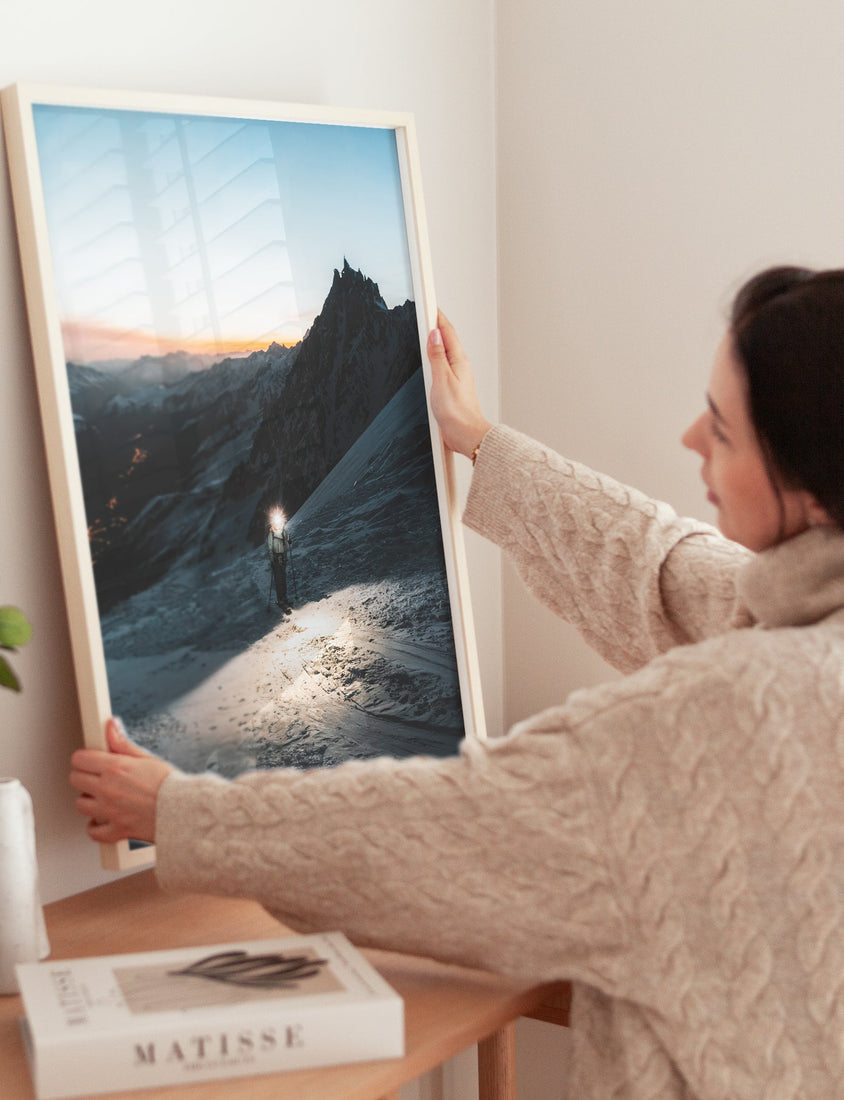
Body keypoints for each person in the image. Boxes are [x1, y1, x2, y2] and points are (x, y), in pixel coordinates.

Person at [69, 266, 844, 1099]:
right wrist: (479, 440)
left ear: (809, 487)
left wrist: (178, 813)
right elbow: (663, 570)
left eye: (724, 432)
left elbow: (450, 829)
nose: (691, 437)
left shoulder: (725, 717)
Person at [266, 508, 292, 612]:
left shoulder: (283, 532)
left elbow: (286, 541)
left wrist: (289, 541)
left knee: (283, 579)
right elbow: (270, 548)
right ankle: (280, 599)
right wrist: (272, 560)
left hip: (283, 557)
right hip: (276, 559)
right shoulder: (271, 534)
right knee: (279, 580)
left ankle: (284, 598)